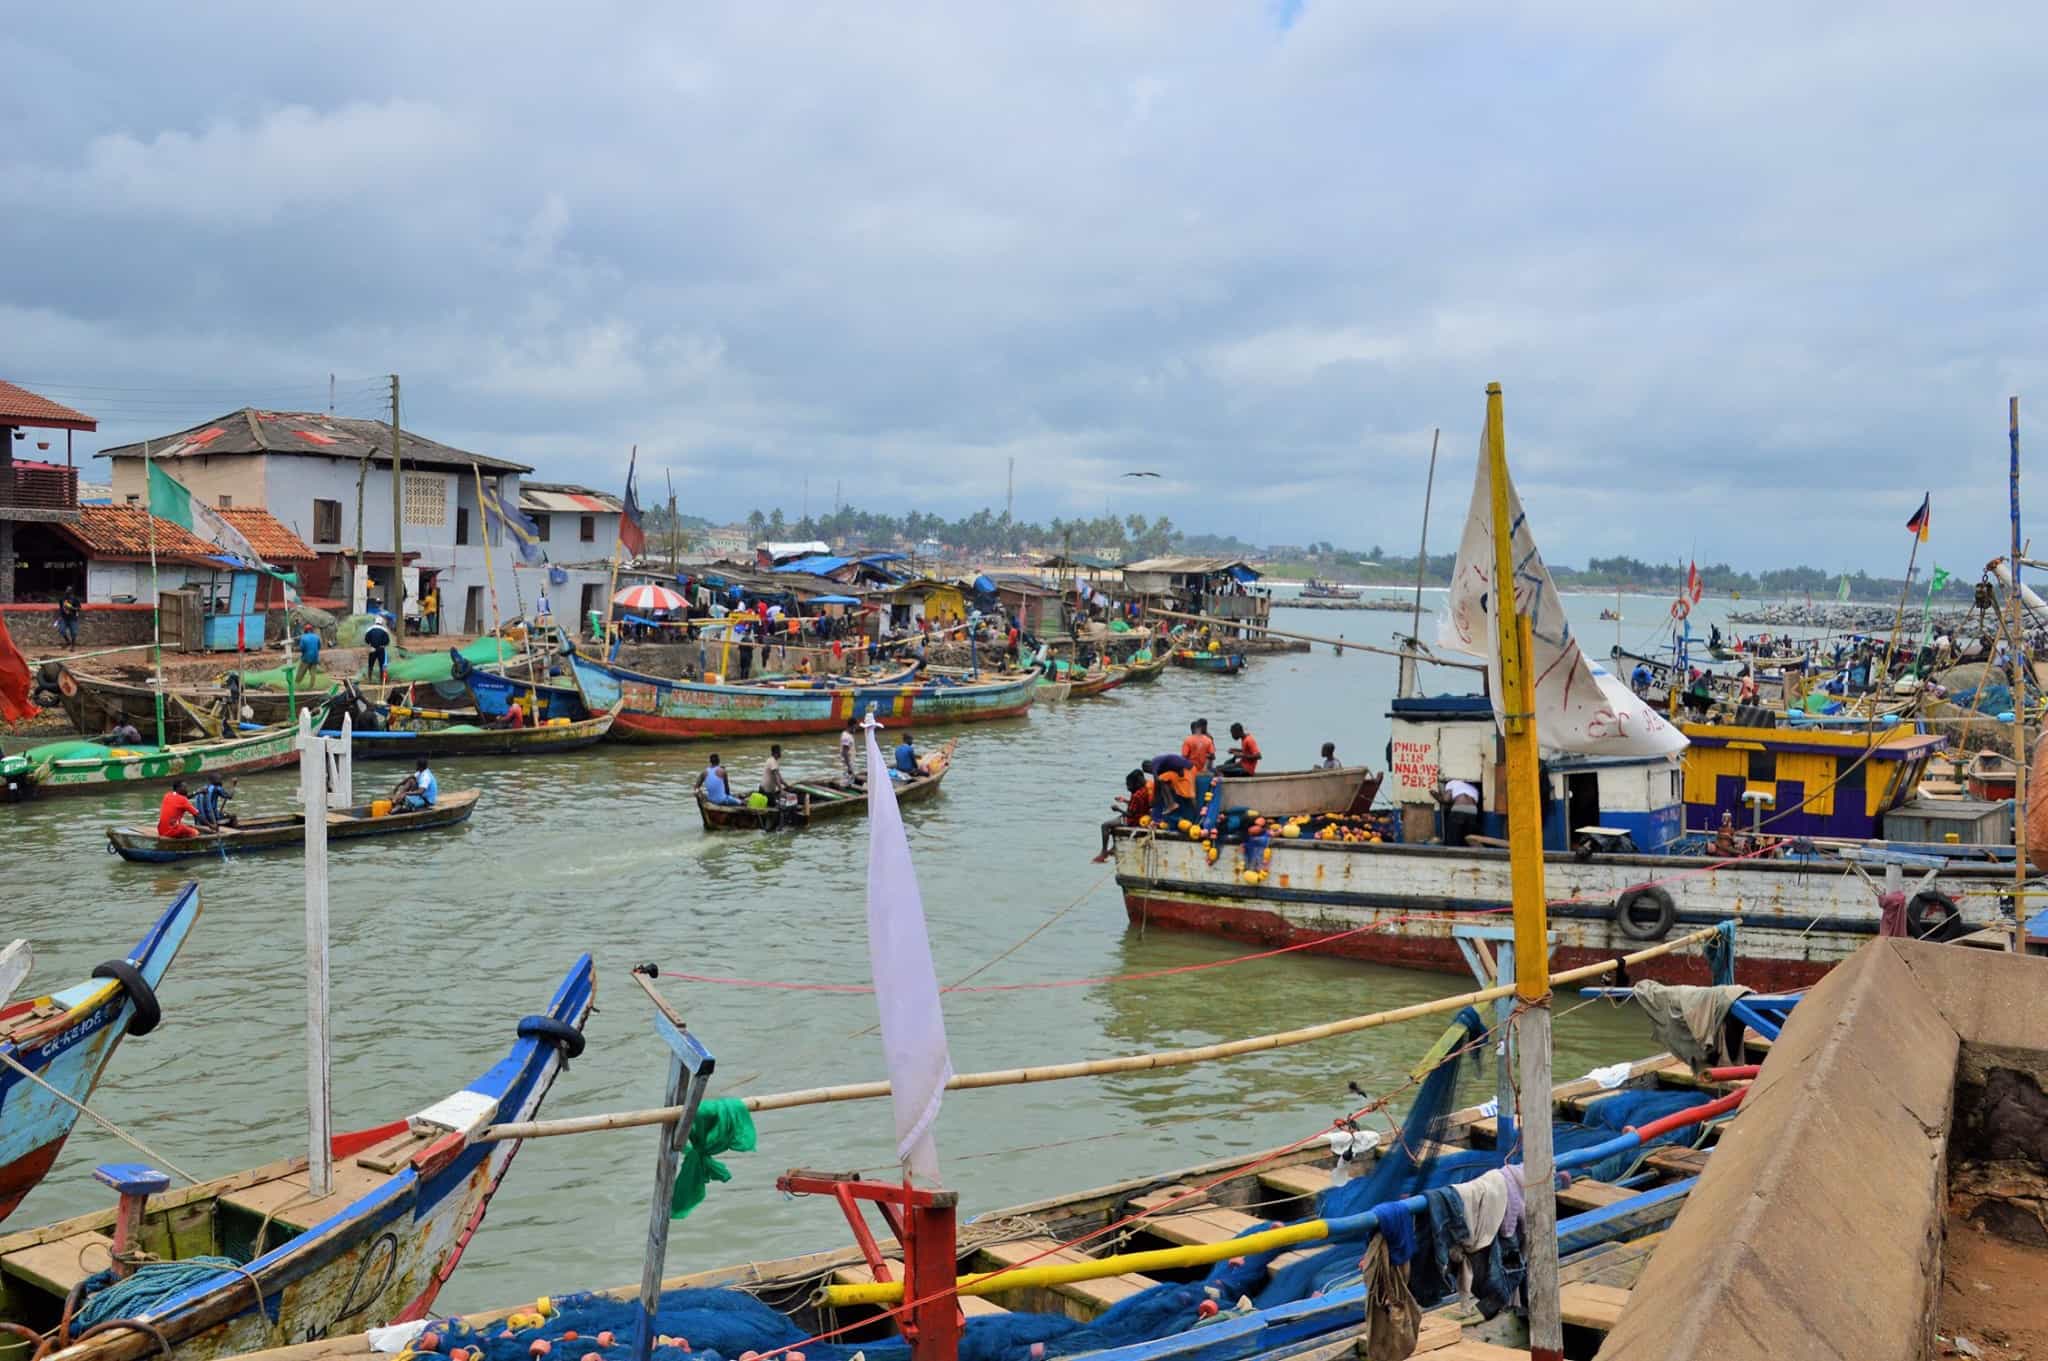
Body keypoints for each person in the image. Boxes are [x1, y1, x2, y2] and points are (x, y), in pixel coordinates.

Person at [1096, 768, 1155, 860]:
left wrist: (1118, 809)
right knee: (1113, 824)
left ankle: (1104, 851)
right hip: (1142, 816)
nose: (1128, 788)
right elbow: (1139, 806)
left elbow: (1130, 814)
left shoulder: (1136, 795)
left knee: (1105, 826)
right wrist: (1124, 800)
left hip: (1133, 820)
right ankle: (1114, 848)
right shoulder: (1145, 790)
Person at [1145, 753, 1197, 824]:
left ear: (1148, 767)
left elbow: (1156, 781)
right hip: (1182, 771)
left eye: (1149, 771)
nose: (1151, 773)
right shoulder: (1162, 766)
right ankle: (1171, 804)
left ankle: (1197, 816)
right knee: (1163, 781)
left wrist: (1155, 800)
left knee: (1189, 797)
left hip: (1188, 770)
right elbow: (1161, 783)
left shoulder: (1154, 763)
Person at [1431, 776, 1482, 847]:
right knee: (1467, 838)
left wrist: (1434, 794)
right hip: (1473, 811)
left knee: (1453, 838)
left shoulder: (1452, 782)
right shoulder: (1473, 787)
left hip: (1459, 809)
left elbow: (1445, 800)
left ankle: (1452, 855)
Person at [362, 618, 392, 683]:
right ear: (381, 623)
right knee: (382, 665)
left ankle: (369, 679)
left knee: (371, 664)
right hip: (381, 649)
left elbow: (366, 639)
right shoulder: (384, 630)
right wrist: (383, 644)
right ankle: (382, 680)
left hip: (372, 649)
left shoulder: (370, 629)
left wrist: (370, 643)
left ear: (375, 622)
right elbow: (387, 641)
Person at [839, 718, 863, 786]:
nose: (856, 728)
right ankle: (843, 793)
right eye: (855, 727)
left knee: (849, 780)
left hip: (849, 762)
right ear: (852, 726)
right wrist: (849, 766)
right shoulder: (846, 737)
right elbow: (844, 752)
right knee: (845, 782)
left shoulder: (847, 735)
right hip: (847, 763)